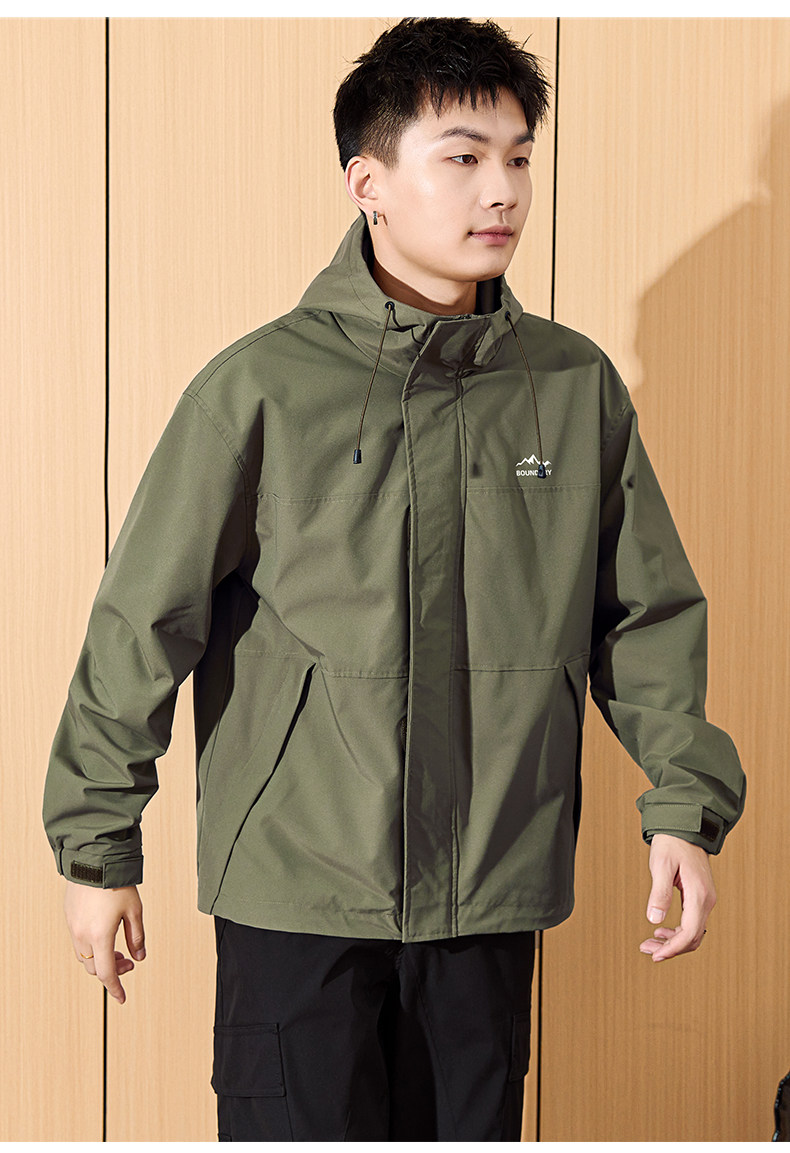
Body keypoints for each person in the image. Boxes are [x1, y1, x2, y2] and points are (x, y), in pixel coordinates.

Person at [43, 17, 746, 1142]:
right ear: (367, 182)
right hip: (298, 890)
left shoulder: (572, 388)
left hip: (489, 886)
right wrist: (97, 849)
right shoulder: (260, 387)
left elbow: (643, 615)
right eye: (462, 156)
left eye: (518, 157)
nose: (502, 190)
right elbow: (143, 621)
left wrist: (684, 807)